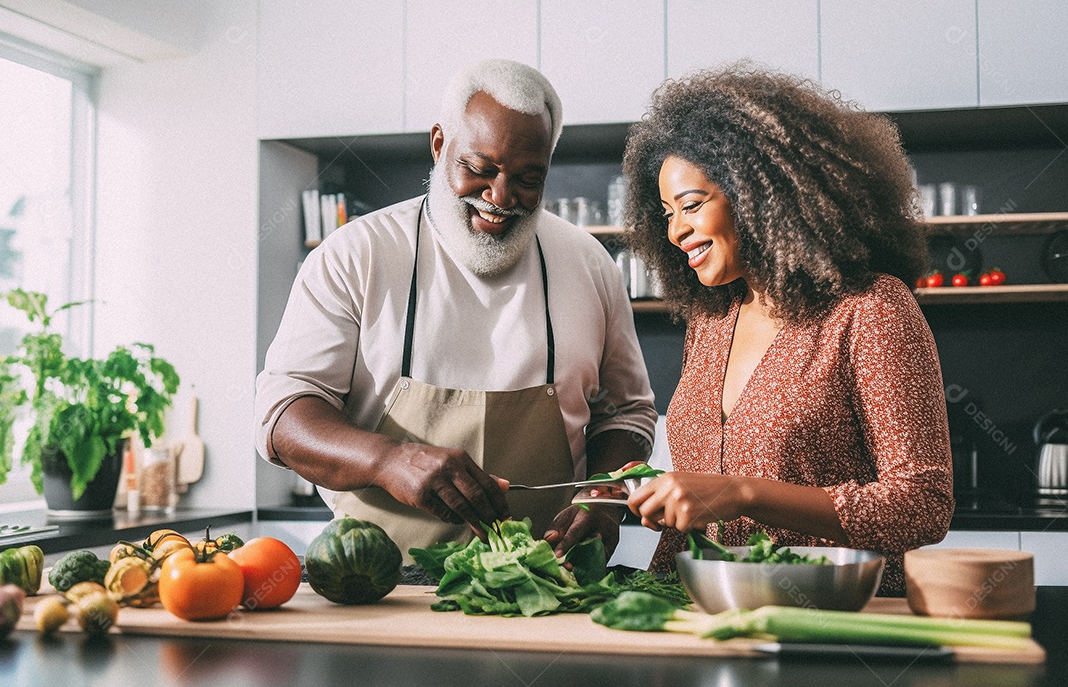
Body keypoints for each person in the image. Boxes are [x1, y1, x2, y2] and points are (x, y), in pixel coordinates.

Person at [254, 59, 657, 559]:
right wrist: (387, 460)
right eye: (479, 169)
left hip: (549, 581)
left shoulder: (588, 263)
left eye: (529, 178)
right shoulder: (356, 254)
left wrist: (602, 500)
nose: (500, 196)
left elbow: (626, 416)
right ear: (440, 144)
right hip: (383, 585)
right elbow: (284, 417)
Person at [621, 64, 954, 595]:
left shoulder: (869, 309)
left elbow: (922, 505)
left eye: (690, 205)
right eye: (664, 212)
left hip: (824, 611)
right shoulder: (712, 319)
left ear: (759, 192)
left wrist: (741, 493)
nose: (675, 230)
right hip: (695, 605)